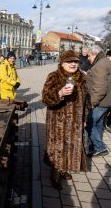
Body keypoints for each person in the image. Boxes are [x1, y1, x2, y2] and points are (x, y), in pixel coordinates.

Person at [42, 50, 88, 190]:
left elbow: (87, 101)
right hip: (58, 123)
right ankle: (55, 174)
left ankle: (64, 170)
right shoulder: (54, 77)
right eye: (69, 61)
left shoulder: (82, 78)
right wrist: (60, 93)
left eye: (75, 61)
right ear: (62, 63)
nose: (73, 64)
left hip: (75, 122)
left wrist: (84, 118)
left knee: (71, 148)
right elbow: (45, 99)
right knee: (58, 150)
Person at [86, 45, 111, 157]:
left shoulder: (100, 65)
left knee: (89, 123)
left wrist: (92, 103)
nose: (87, 58)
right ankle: (95, 146)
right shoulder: (104, 62)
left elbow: (100, 88)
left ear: (95, 54)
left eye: (89, 55)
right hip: (106, 101)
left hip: (101, 101)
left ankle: (100, 148)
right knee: (98, 123)